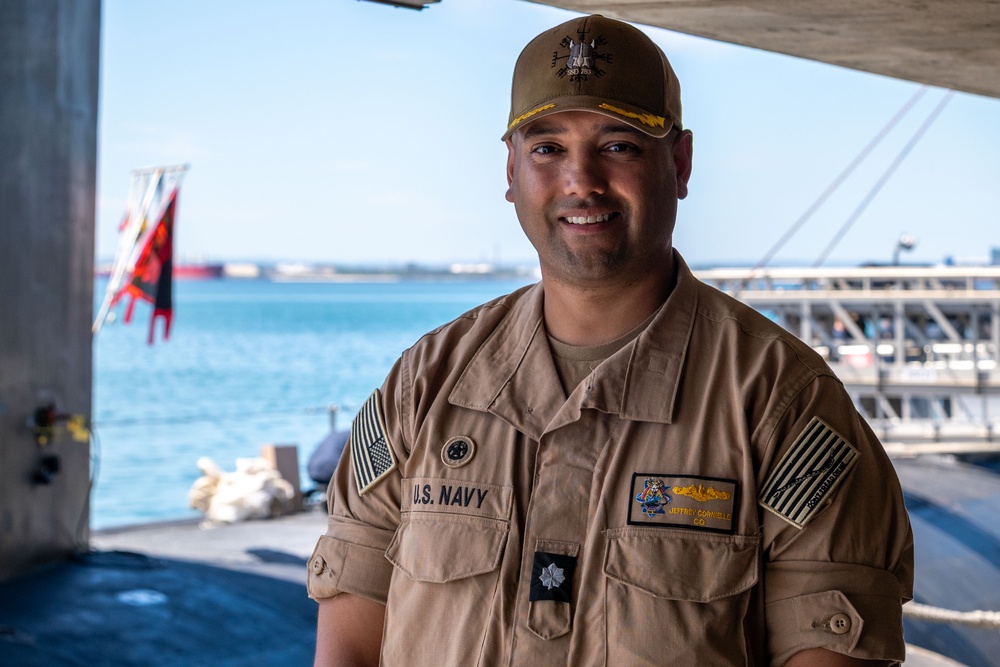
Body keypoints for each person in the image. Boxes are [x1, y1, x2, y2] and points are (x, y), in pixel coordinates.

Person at [308, 14, 913, 667]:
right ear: (511, 169)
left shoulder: (782, 404)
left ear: (678, 163)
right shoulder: (422, 385)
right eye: (547, 148)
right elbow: (350, 637)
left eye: (619, 145)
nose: (581, 181)